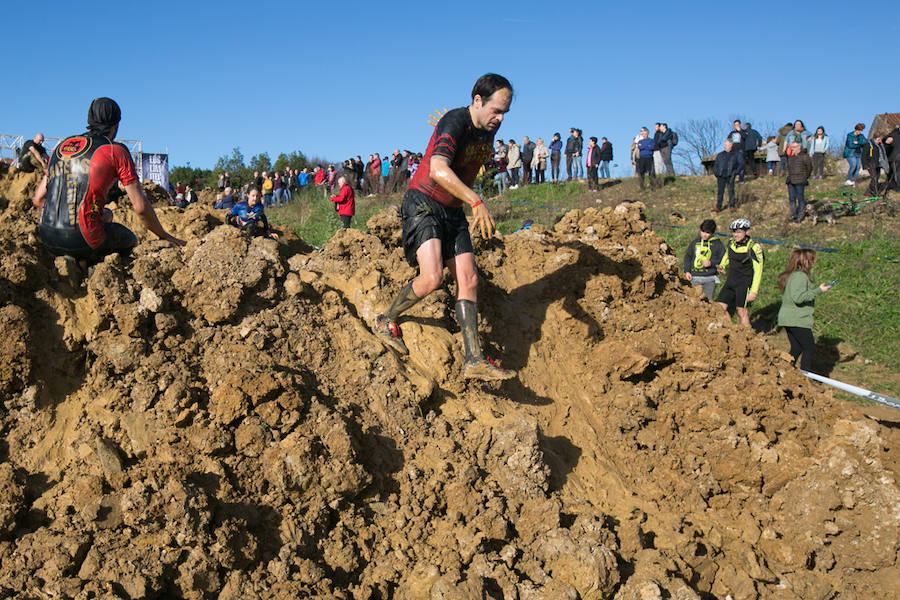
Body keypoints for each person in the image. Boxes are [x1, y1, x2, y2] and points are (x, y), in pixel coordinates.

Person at [372, 73, 516, 381]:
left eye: (505, 112)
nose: (501, 118)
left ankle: (474, 358)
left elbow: (468, 165)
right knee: (433, 277)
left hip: (452, 211)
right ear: (477, 100)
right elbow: (438, 169)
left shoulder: (485, 132)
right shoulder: (455, 121)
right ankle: (386, 319)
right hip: (423, 203)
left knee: (469, 278)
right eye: (496, 110)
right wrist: (475, 201)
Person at [32, 97, 185, 284]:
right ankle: (92, 268)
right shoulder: (116, 151)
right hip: (84, 237)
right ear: (116, 126)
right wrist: (165, 236)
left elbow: (39, 199)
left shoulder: (61, 147)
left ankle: (74, 259)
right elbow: (140, 207)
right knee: (129, 239)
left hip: (47, 236)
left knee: (107, 215)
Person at [777, 249, 832, 372]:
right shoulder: (800, 276)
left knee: (796, 348)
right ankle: (805, 378)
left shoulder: (794, 275)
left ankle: (783, 372)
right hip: (797, 319)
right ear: (805, 261)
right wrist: (818, 291)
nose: (813, 262)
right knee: (809, 348)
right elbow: (798, 297)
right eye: (811, 259)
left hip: (789, 318)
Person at [716, 218, 763, 327]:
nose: (735, 235)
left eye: (738, 232)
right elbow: (727, 256)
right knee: (719, 307)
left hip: (744, 283)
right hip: (731, 281)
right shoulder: (731, 244)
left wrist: (754, 291)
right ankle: (731, 331)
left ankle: (749, 338)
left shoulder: (754, 248)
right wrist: (722, 266)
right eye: (734, 232)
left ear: (747, 232)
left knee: (741, 311)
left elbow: (758, 271)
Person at [682, 219, 725, 299]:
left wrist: (711, 263)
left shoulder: (718, 244)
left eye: (707, 232)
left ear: (712, 233)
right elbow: (688, 257)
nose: (704, 235)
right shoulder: (694, 243)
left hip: (710, 278)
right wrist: (687, 271)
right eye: (703, 231)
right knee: (692, 300)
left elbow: (723, 260)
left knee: (708, 302)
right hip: (694, 277)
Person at [785, 141, 812, 222]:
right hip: (791, 181)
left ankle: (801, 215)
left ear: (798, 147)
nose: (792, 149)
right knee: (791, 199)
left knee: (800, 199)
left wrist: (805, 177)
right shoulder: (791, 157)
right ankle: (793, 214)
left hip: (800, 180)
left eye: (793, 147)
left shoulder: (805, 156)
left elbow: (809, 168)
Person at [713, 140, 741, 212]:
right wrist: (716, 173)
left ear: (730, 145)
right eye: (724, 144)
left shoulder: (735, 155)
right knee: (720, 192)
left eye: (726, 145)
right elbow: (715, 165)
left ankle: (732, 206)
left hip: (730, 175)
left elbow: (741, 165)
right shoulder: (720, 155)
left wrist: (735, 173)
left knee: (731, 191)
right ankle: (718, 207)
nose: (725, 146)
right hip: (721, 176)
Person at [861, 132, 889, 197]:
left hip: (878, 164)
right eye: (878, 140)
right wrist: (865, 165)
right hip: (871, 164)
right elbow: (864, 155)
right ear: (875, 138)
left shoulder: (880, 146)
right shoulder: (869, 144)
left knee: (876, 178)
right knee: (874, 178)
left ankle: (868, 192)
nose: (880, 141)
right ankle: (875, 193)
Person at [882, 124, 900, 191]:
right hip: (895, 158)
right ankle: (896, 188)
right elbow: (885, 140)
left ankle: (891, 186)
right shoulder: (894, 134)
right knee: (896, 173)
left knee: (894, 174)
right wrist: (887, 141)